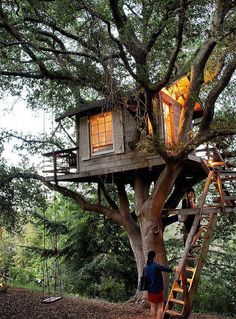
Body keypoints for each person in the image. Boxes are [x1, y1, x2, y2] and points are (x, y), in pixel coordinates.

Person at [144, 250, 172, 319]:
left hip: (150, 290)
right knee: (160, 306)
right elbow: (165, 269)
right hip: (158, 290)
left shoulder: (146, 267)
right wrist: (173, 270)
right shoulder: (156, 266)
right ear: (154, 257)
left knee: (153, 306)